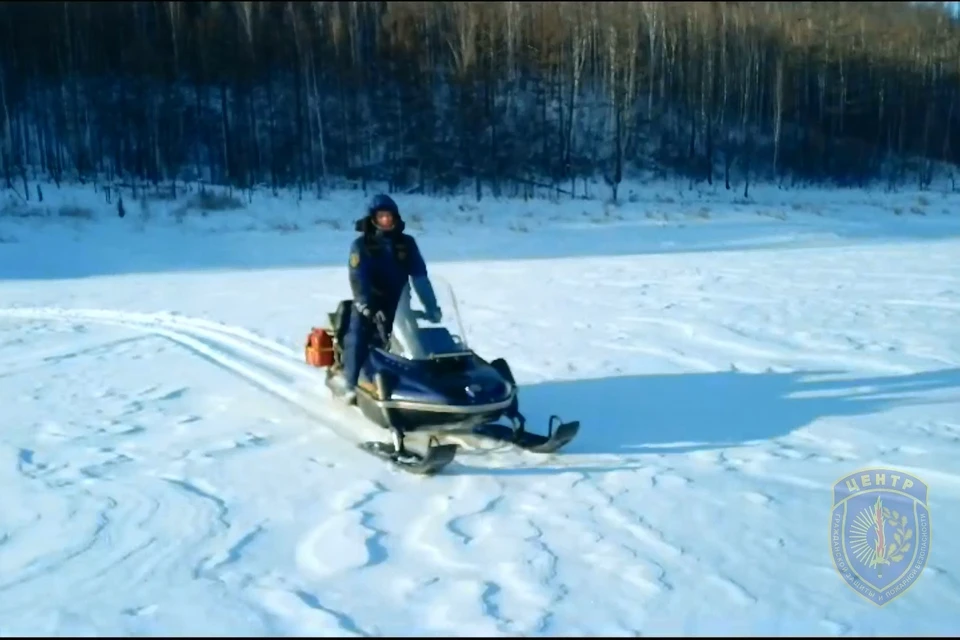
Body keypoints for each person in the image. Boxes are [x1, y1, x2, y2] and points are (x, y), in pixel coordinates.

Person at [330, 194, 442, 404]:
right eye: (381, 216)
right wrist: (365, 305)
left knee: (415, 340)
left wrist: (431, 307)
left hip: (399, 301)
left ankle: (425, 383)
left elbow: (420, 277)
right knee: (358, 335)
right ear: (373, 218)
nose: (386, 220)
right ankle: (350, 384)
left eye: (389, 216)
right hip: (370, 302)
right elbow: (358, 278)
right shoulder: (361, 245)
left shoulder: (407, 243)